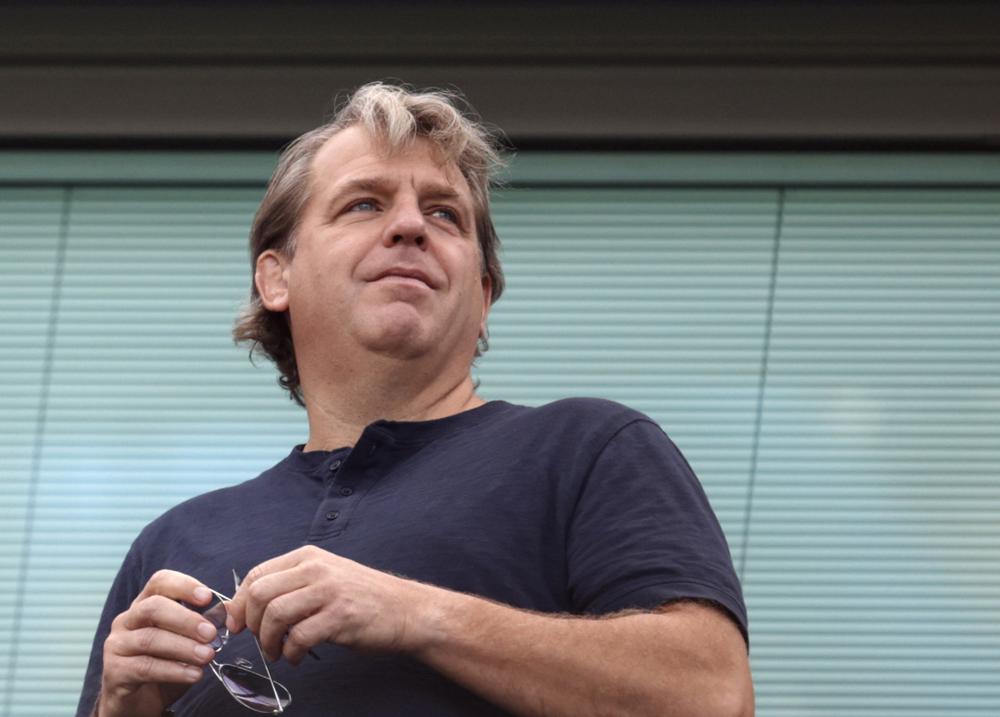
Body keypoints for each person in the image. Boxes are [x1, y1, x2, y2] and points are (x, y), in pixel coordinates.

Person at [77, 82, 753, 717]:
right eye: (364, 204)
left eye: (444, 214)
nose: (410, 226)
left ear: (481, 297)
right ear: (276, 278)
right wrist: (121, 706)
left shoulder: (587, 450)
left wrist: (415, 614)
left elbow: (715, 695)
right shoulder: (173, 543)